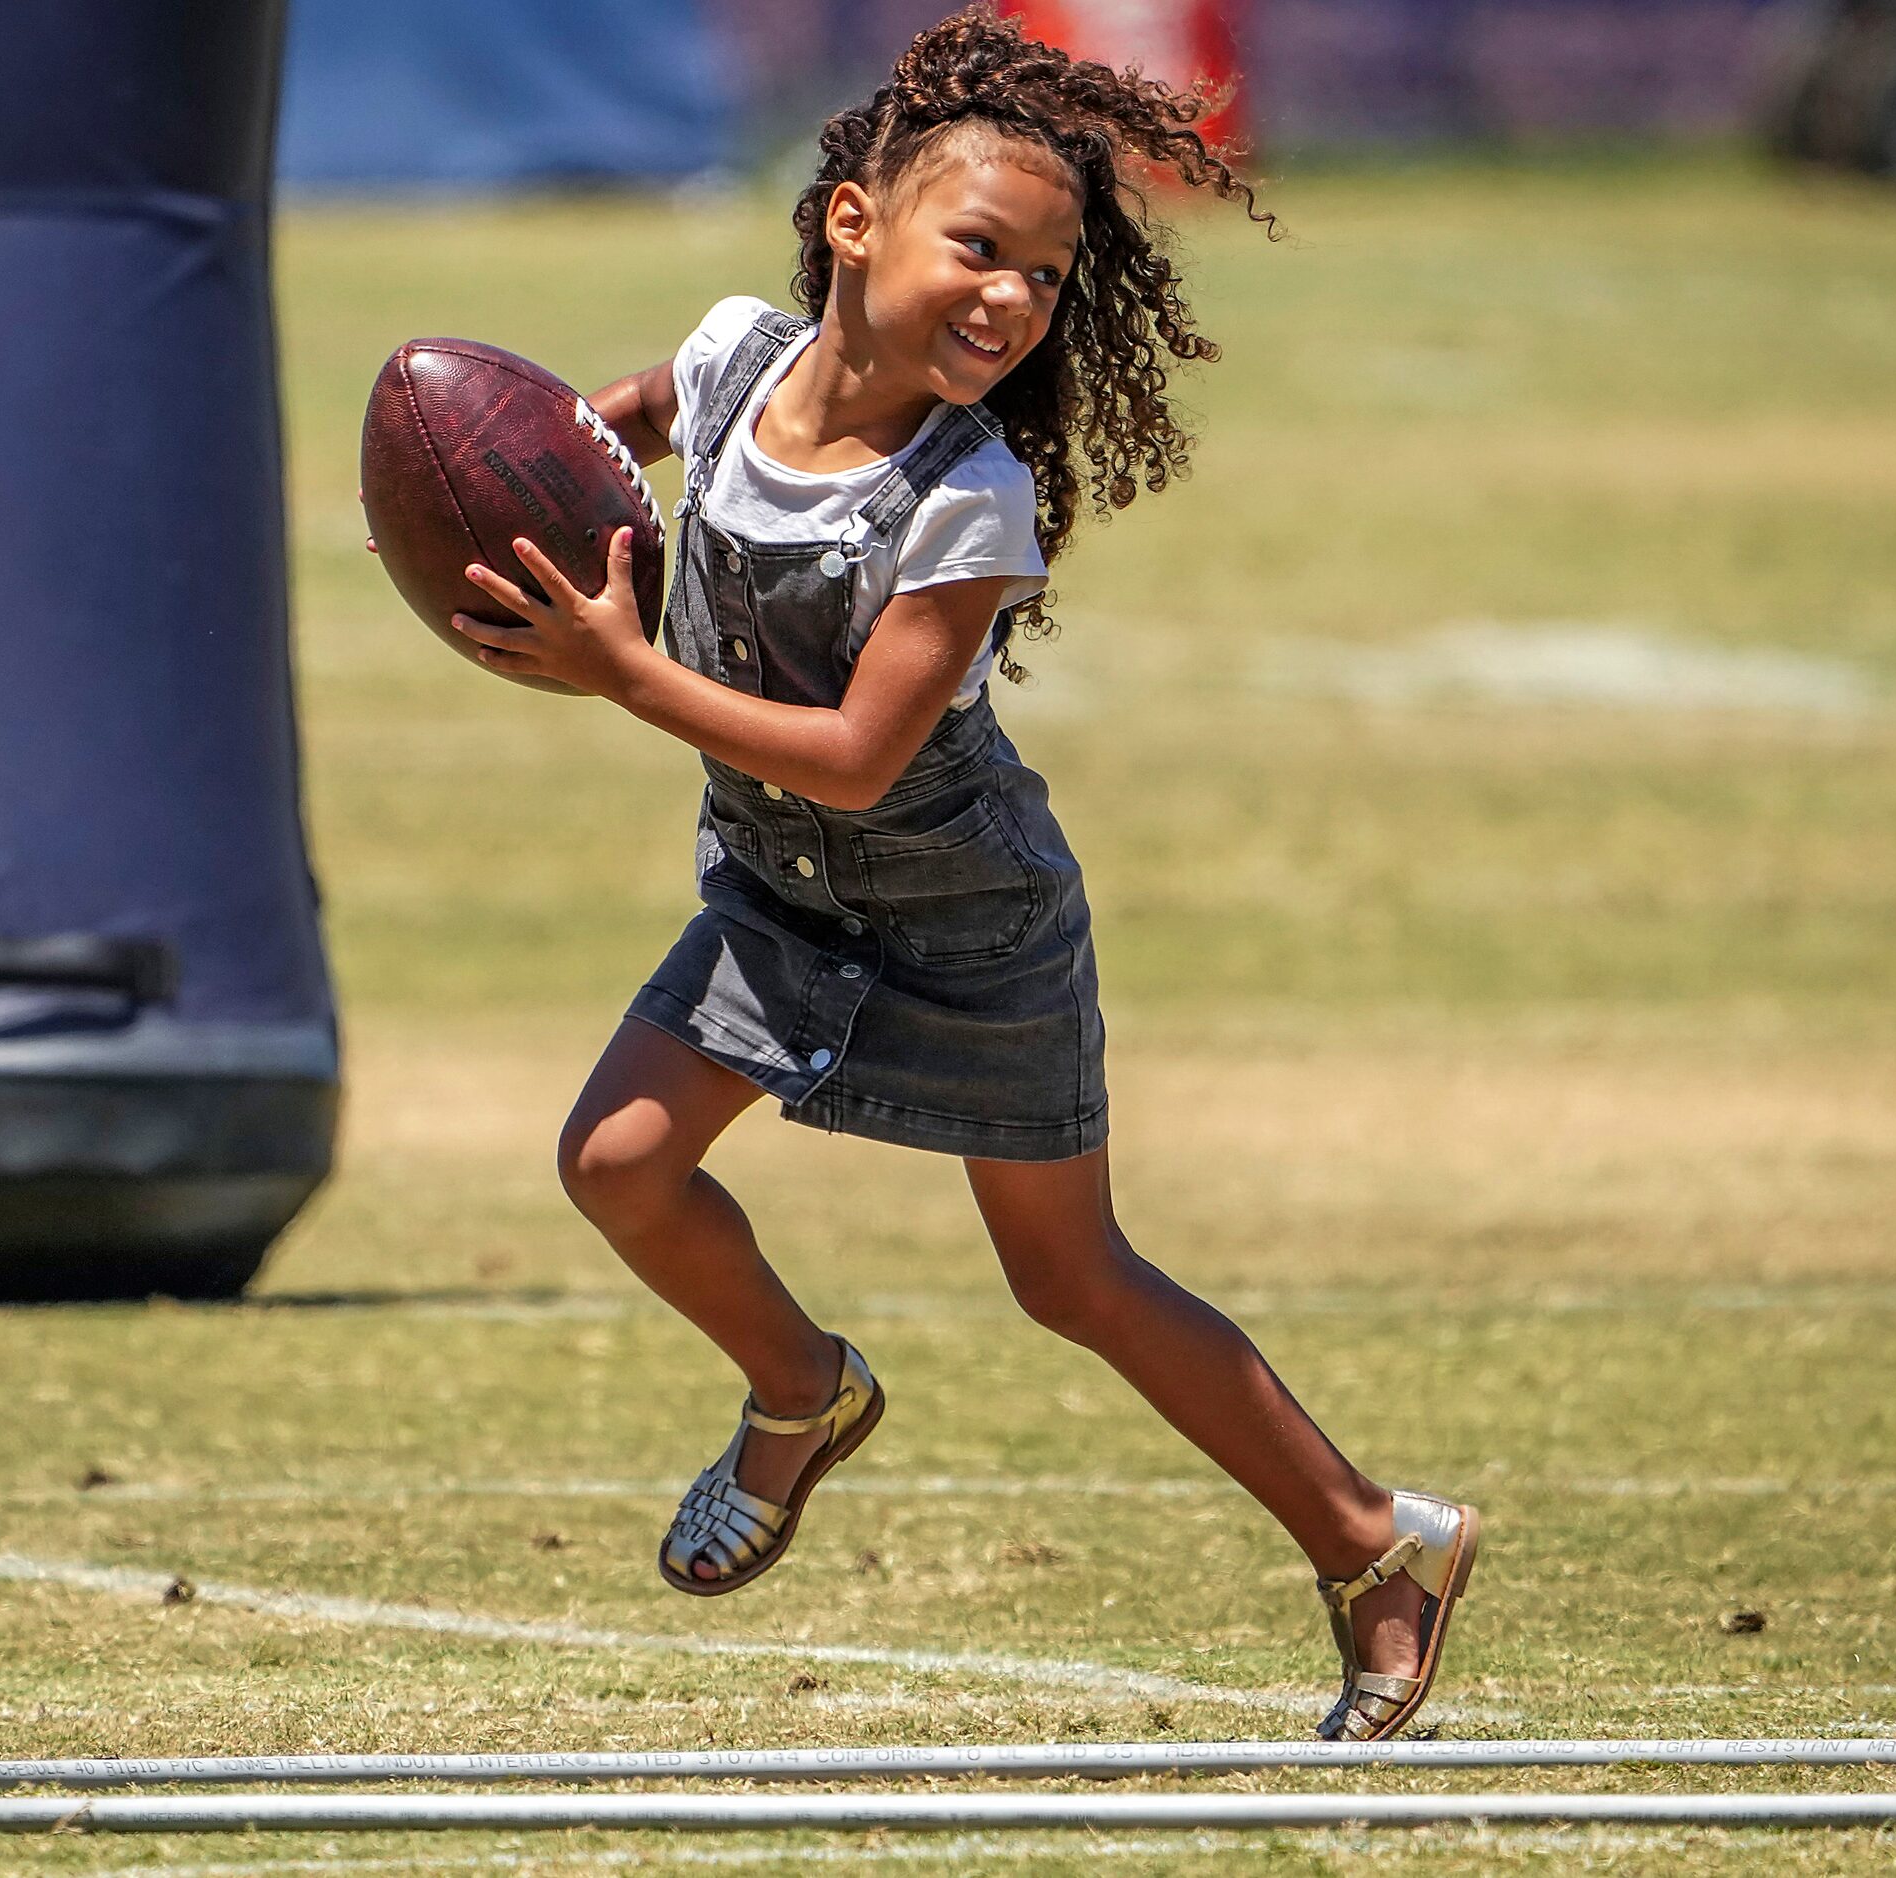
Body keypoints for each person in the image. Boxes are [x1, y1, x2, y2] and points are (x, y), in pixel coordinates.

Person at [442, 6, 1478, 1742]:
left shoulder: (968, 495)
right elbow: (573, 441)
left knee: (1070, 1278)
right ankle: (799, 1389)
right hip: (781, 899)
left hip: (968, 916)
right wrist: (475, 480)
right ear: (852, 223)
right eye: (979, 247)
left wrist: (621, 669)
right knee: (617, 1164)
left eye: (1049, 276)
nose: (1013, 297)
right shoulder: (725, 366)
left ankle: (1378, 1543)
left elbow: (854, 752)